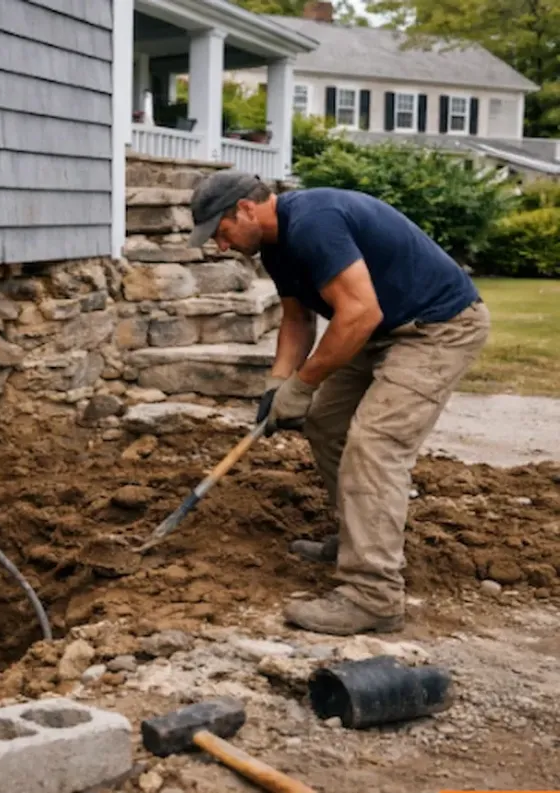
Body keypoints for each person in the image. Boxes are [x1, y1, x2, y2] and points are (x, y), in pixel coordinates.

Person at [187, 170, 490, 636]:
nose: (221, 246)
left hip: (437, 327)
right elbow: (297, 319)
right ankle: (357, 536)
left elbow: (359, 313)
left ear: (245, 209)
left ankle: (374, 595)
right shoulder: (276, 245)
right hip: (381, 328)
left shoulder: (314, 222)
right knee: (326, 423)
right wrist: (277, 386)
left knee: (375, 444)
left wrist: (303, 385)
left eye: (221, 232)